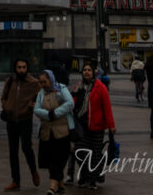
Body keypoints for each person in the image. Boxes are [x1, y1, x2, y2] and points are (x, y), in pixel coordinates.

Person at [70, 63, 115, 191]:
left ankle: (92, 180)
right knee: (80, 152)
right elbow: (71, 104)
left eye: (89, 70)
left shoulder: (100, 87)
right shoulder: (78, 86)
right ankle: (86, 175)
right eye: (84, 70)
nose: (87, 72)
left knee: (94, 155)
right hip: (81, 127)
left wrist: (111, 125)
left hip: (97, 127)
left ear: (93, 72)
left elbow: (107, 108)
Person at [1, 57, 41, 191]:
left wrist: (35, 105)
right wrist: (6, 107)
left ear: (27, 68)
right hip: (11, 120)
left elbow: (42, 96)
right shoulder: (11, 80)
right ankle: (15, 180)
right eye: (19, 67)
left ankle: (33, 171)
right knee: (13, 151)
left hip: (25, 120)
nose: (22, 70)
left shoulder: (33, 83)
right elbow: (3, 97)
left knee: (26, 147)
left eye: (24, 67)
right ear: (15, 68)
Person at [34, 69, 74, 194]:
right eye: (40, 82)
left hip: (62, 131)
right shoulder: (41, 93)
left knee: (59, 159)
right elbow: (36, 109)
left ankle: (52, 186)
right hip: (46, 132)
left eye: (44, 82)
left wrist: (54, 113)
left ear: (50, 79)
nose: (42, 85)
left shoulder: (61, 89)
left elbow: (70, 104)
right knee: (51, 160)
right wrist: (48, 114)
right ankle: (60, 184)